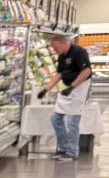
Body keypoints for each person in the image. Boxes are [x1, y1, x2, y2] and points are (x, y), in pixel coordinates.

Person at [38, 32, 92, 160]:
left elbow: (86, 71)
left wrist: (72, 87)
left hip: (79, 88)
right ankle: (63, 148)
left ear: (64, 43)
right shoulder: (62, 56)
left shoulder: (79, 52)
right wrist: (46, 89)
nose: (54, 50)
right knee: (56, 119)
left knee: (72, 123)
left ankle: (72, 152)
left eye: (56, 48)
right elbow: (59, 74)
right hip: (66, 89)